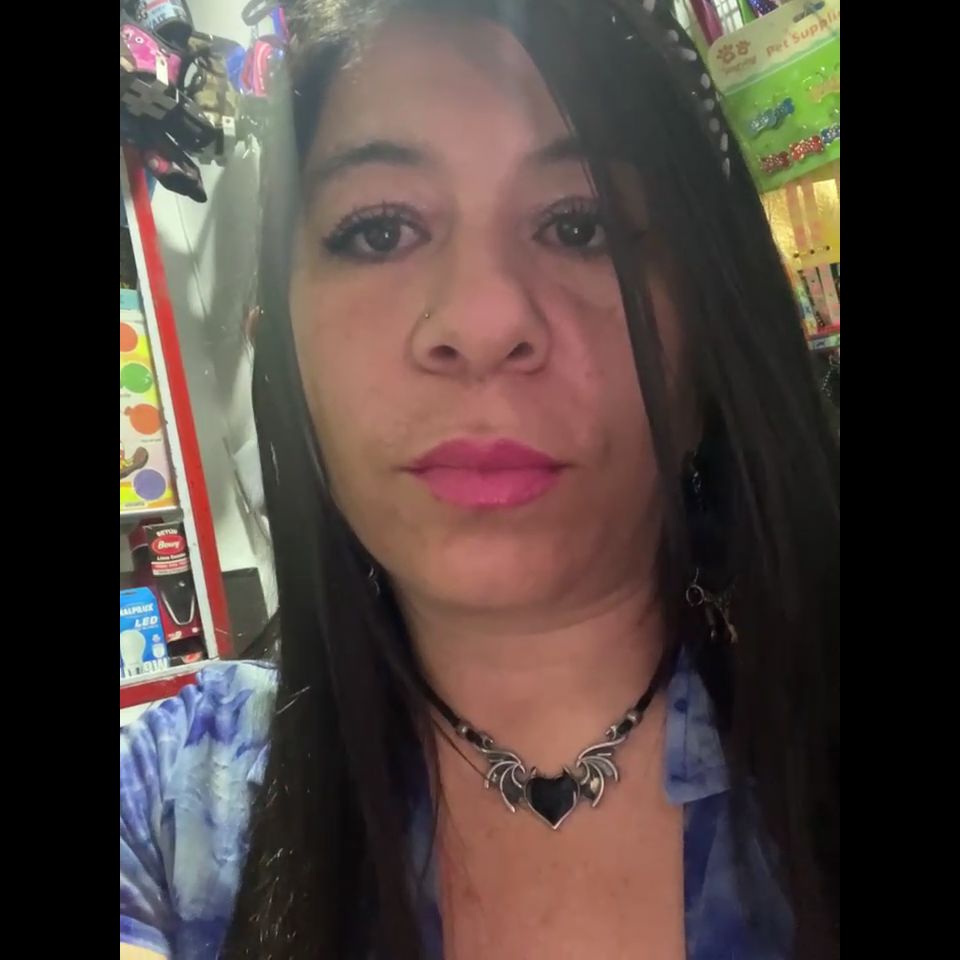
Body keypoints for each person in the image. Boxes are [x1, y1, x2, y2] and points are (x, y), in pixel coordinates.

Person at [119, 1, 840, 958]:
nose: (484, 318)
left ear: (707, 340)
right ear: (283, 361)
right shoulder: (173, 810)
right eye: (379, 231)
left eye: (580, 224)